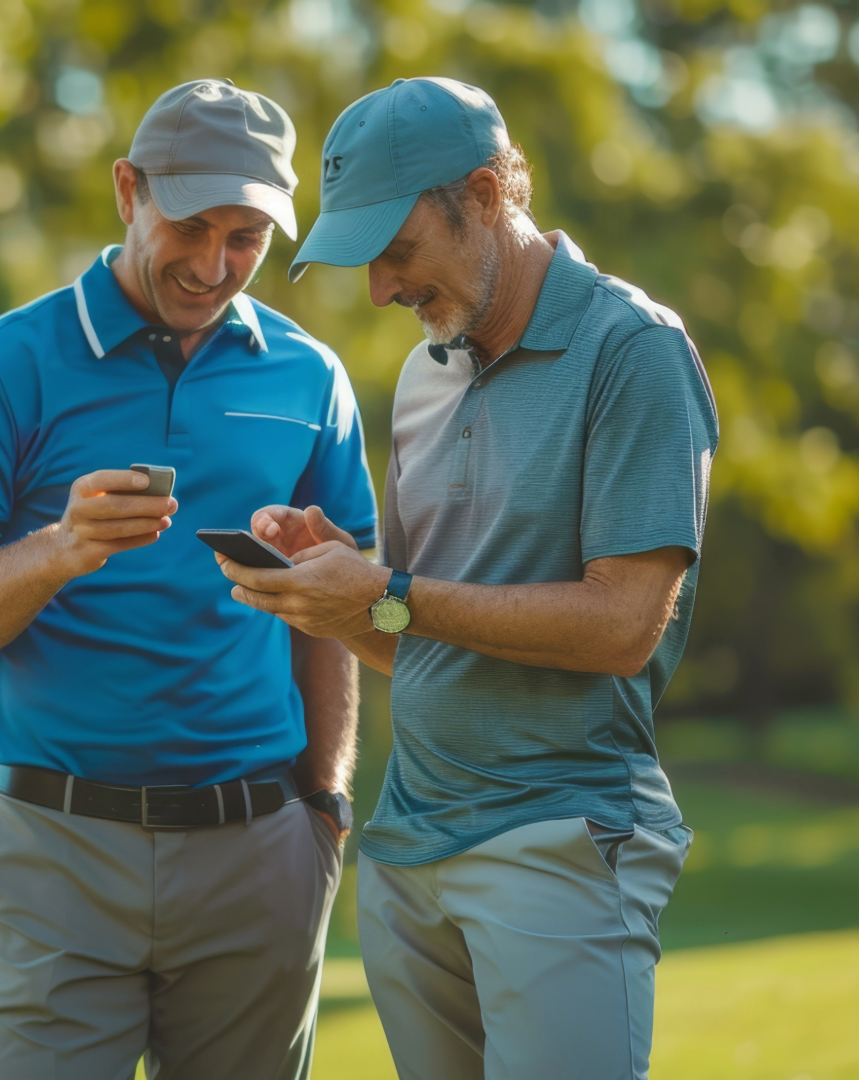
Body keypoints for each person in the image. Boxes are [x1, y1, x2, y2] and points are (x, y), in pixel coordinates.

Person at [216, 77, 719, 1080]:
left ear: (487, 196)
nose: (379, 289)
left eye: (395, 252)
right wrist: (331, 587)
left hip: (558, 844)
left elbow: (625, 624)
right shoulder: (424, 375)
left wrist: (384, 589)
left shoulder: (632, 352)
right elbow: (414, 632)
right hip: (410, 860)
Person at [0, 79, 379, 1080]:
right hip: (56, 851)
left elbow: (334, 612)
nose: (214, 266)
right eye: (191, 225)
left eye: (245, 236)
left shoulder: (310, 379)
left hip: (258, 854)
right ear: (128, 191)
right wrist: (60, 547)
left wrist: (324, 810)